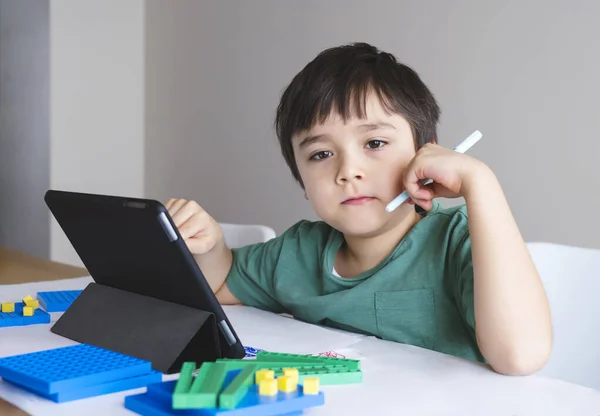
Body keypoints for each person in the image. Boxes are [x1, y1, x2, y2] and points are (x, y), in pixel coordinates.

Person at [165, 42, 552, 375]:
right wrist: (211, 245)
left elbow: (520, 355)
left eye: (375, 144)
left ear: (428, 154)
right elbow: (218, 286)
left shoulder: (457, 241)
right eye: (320, 154)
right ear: (301, 180)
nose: (348, 171)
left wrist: (480, 185)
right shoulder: (299, 253)